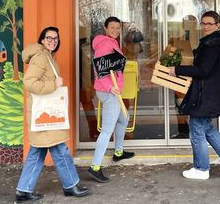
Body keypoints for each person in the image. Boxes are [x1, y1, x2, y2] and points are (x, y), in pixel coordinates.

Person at [15, 26, 88, 202]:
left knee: (37, 152)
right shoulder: (41, 57)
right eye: (49, 38)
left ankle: (23, 190)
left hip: (41, 115)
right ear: (42, 40)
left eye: (55, 38)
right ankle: (71, 186)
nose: (52, 41)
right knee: (60, 150)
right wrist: (54, 86)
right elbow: (29, 83)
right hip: (45, 113)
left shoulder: (46, 56)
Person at [169, 11, 220, 180]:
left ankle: (201, 169)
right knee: (204, 127)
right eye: (203, 23)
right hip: (209, 92)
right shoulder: (212, 43)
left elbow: (203, 70)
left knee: (196, 128)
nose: (206, 27)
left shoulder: (212, 46)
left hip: (208, 94)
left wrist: (177, 70)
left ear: (217, 25)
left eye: (209, 23)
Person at [88, 16, 135, 183]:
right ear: (106, 28)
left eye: (118, 28)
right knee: (107, 130)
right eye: (112, 28)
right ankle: (95, 167)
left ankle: (119, 152)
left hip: (113, 91)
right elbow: (98, 70)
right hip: (109, 92)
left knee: (124, 118)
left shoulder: (112, 43)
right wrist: (110, 87)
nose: (115, 31)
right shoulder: (105, 44)